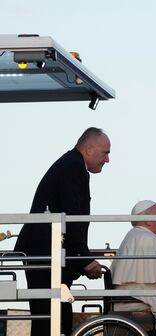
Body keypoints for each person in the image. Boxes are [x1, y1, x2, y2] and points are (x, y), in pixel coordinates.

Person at [14, 127, 110, 335]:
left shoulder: (71, 164)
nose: (108, 159)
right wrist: (85, 259)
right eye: (105, 152)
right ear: (90, 148)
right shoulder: (74, 168)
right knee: (52, 318)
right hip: (44, 254)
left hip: (43, 252)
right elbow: (71, 217)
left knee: (51, 316)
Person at [111, 200, 156, 336]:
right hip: (144, 299)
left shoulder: (132, 236)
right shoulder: (150, 240)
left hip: (134, 297)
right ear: (148, 220)